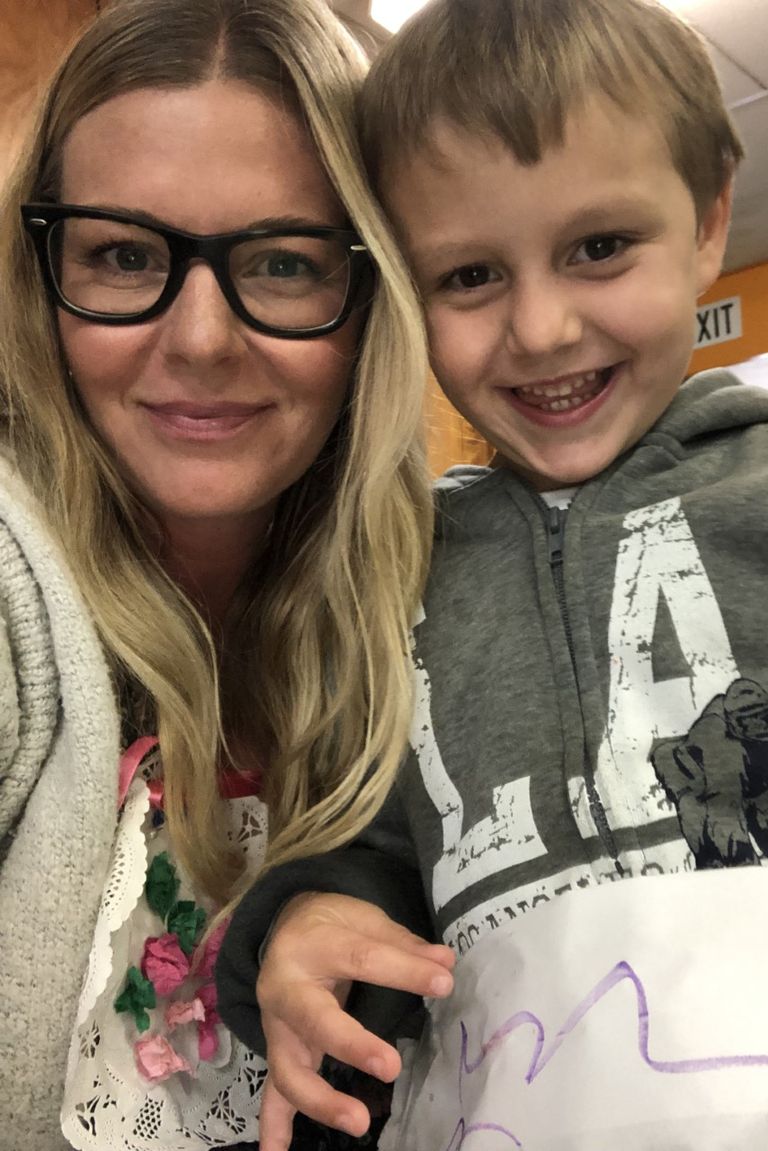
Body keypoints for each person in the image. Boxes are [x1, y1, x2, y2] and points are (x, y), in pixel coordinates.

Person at [214, 0, 768, 1146]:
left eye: (599, 247)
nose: (544, 327)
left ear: (710, 219)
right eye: (468, 274)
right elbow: (369, 844)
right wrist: (311, 923)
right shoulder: (389, 574)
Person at [0, 0, 440, 1147]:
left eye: (284, 261)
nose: (200, 338)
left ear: (377, 297)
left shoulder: (444, 605)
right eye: (123, 254)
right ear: (40, 276)